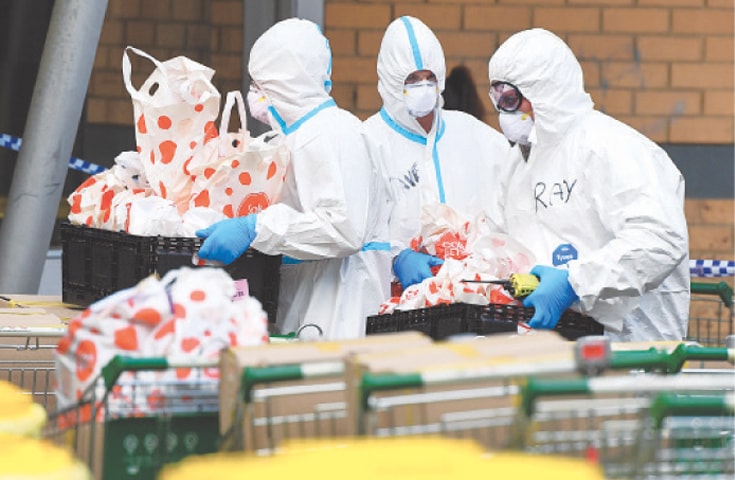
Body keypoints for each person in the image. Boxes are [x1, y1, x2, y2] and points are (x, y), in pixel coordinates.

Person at [486, 28, 690, 342]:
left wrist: (575, 282)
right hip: (549, 349)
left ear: (544, 91)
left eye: (511, 98)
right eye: (498, 98)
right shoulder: (519, 163)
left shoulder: (611, 148)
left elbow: (660, 240)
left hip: (630, 355)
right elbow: (498, 240)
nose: (505, 111)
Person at [196, 18, 392, 340]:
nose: (254, 94)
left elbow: (342, 229)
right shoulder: (298, 137)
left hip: (342, 305)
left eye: (258, 86)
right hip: (308, 297)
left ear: (283, 83)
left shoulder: (331, 133)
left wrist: (255, 228)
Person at [363, 16, 511, 291]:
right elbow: (353, 235)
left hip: (471, 295)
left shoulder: (476, 136)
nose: (424, 87)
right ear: (390, 81)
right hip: (393, 302)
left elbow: (512, 208)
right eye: (412, 79)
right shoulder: (368, 142)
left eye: (430, 77)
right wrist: (396, 257)